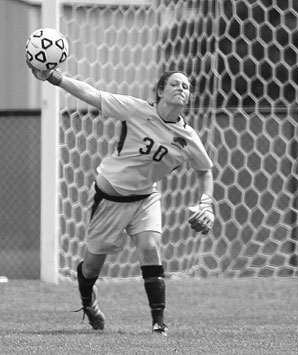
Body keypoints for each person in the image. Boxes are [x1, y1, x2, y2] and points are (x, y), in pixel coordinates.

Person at [27, 62, 215, 336]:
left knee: (151, 248)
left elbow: (204, 170)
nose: (181, 89)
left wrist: (206, 202)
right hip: (110, 198)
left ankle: (158, 323)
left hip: (145, 198)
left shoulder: (188, 137)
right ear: (160, 91)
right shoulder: (136, 110)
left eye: (185, 86)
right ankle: (88, 302)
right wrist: (54, 77)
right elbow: (92, 94)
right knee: (91, 267)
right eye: (174, 84)